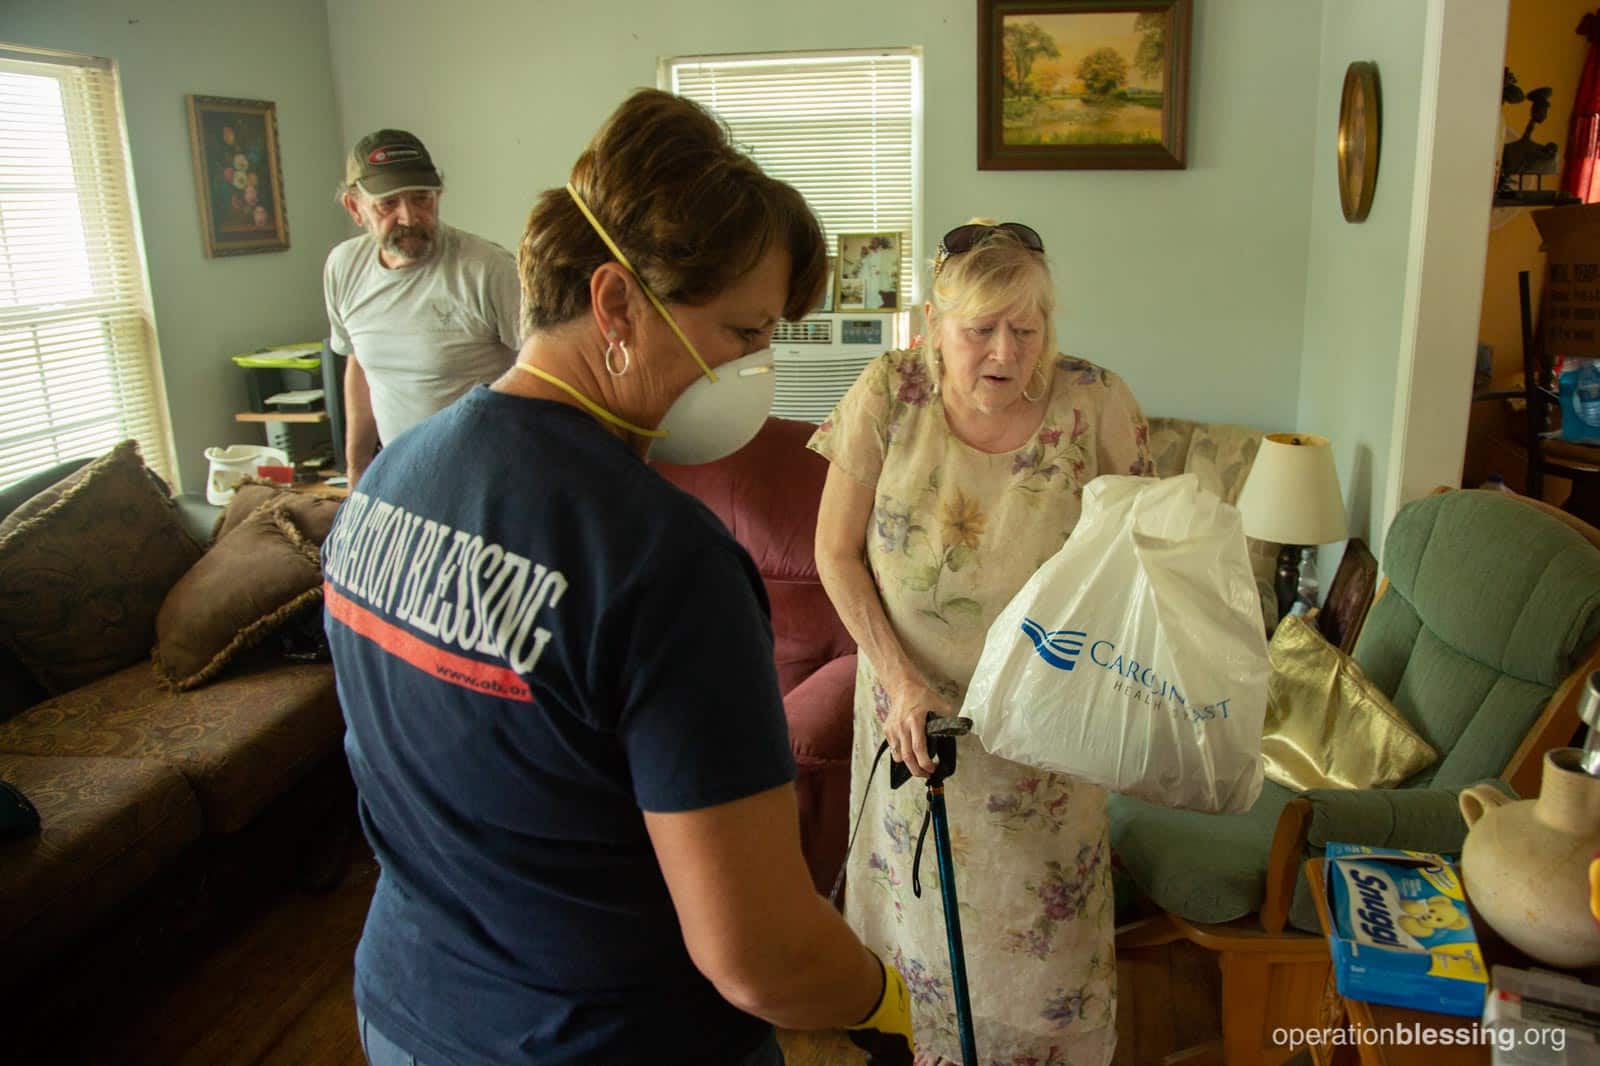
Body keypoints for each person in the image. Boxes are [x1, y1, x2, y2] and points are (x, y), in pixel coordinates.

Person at [323, 89, 914, 1066]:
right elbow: (757, 950)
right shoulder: (660, 560)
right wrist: (879, 995)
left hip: (408, 1013)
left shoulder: (390, 480)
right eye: (741, 334)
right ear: (615, 306)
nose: (756, 368)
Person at [810, 220, 1155, 1065]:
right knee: (921, 925)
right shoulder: (890, 393)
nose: (1005, 351)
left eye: (1026, 329)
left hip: (1047, 732)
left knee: (1045, 941)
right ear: (934, 326)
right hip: (912, 716)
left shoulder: (1095, 402)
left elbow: (1141, 560)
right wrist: (897, 679)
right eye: (980, 330)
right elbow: (835, 551)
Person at [324, 128, 521, 487]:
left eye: (421, 199)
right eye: (388, 204)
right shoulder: (343, 268)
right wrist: (357, 472)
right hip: (400, 476)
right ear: (355, 208)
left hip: (485, 476)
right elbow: (360, 368)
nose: (409, 217)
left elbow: (549, 371)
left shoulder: (486, 269)